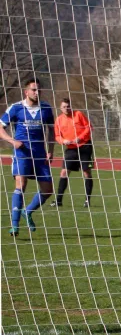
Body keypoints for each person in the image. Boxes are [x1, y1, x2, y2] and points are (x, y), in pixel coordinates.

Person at [0, 78, 55, 236]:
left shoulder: (45, 108)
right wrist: (12, 141)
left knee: (48, 189)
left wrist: (50, 150)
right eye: (34, 90)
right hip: (22, 152)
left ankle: (28, 211)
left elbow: (51, 131)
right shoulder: (16, 108)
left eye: (39, 90)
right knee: (21, 184)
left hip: (39, 153)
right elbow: (1, 128)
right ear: (26, 92)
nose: (37, 93)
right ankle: (15, 225)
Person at [50, 98, 94, 208]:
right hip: (71, 149)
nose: (66, 108)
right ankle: (58, 200)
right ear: (60, 108)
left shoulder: (78, 114)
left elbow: (89, 127)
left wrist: (80, 137)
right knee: (64, 172)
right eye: (64, 107)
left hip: (85, 147)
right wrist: (63, 141)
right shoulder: (59, 120)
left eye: (68, 106)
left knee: (86, 172)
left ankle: (87, 200)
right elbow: (57, 136)